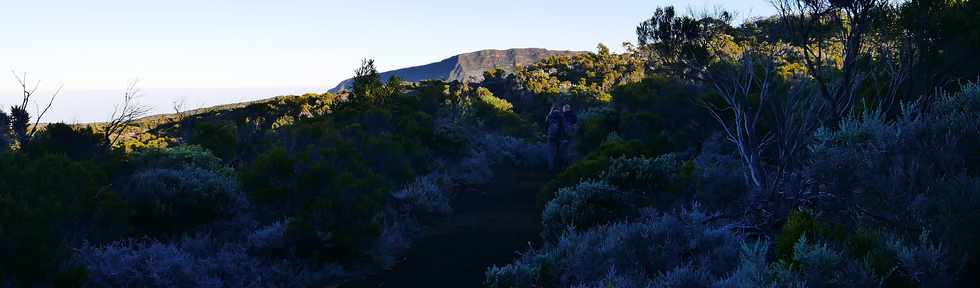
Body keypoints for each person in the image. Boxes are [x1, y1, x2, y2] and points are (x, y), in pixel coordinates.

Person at [546, 104, 578, 171]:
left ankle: (551, 169)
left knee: (551, 154)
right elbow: (563, 127)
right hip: (559, 138)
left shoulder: (549, 116)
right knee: (561, 153)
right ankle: (561, 169)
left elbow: (546, 125)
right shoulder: (561, 116)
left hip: (550, 137)